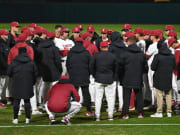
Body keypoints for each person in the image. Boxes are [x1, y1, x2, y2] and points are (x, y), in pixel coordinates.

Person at [120, 36, 148, 119]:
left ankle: (125, 114)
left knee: (126, 97)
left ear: (128, 42)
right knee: (139, 97)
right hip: (138, 77)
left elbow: (120, 67)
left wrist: (122, 76)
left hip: (127, 78)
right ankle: (140, 113)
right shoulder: (141, 54)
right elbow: (145, 67)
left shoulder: (124, 53)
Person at [8, 47, 38, 124]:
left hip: (16, 83)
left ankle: (15, 119)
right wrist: (32, 82)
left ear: (19, 52)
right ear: (26, 52)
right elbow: (35, 74)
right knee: (27, 101)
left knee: (16, 101)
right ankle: (27, 118)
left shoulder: (14, 61)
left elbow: (9, 73)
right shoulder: (31, 62)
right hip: (28, 83)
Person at [90, 41, 117, 121]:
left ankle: (97, 116)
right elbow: (116, 68)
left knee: (98, 98)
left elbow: (91, 67)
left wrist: (95, 75)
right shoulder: (113, 56)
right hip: (110, 79)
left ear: (100, 47)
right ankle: (110, 115)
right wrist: (113, 76)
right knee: (110, 98)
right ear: (107, 47)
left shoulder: (96, 56)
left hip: (98, 79)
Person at [66, 37, 93, 116]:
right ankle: (88, 111)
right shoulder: (86, 52)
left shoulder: (71, 52)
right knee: (86, 93)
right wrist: (88, 73)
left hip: (73, 75)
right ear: (82, 43)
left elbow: (68, 64)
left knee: (74, 93)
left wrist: (71, 73)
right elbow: (90, 65)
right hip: (84, 74)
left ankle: (72, 110)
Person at [36, 35, 62, 105]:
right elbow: (58, 61)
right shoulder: (54, 48)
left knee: (45, 85)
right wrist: (60, 70)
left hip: (44, 69)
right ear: (53, 39)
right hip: (54, 70)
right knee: (55, 87)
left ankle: (44, 102)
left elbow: (37, 59)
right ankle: (54, 103)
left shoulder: (39, 47)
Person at [150, 44, 175, 118]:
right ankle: (169, 112)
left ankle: (159, 112)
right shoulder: (172, 56)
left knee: (159, 95)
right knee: (168, 94)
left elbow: (152, 67)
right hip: (168, 77)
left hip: (159, 77)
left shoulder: (158, 56)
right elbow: (174, 66)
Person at [109, 31, 126, 111]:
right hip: (122, 70)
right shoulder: (124, 46)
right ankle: (121, 106)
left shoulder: (111, 46)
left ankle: (112, 107)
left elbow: (109, 58)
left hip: (113, 70)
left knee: (112, 90)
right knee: (121, 89)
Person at [0, 29, 10, 108]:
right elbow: (1, 58)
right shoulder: (1, 44)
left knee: (4, 85)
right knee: (1, 85)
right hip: (2, 69)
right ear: (1, 35)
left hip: (5, 68)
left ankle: (2, 99)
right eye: (6, 34)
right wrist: (6, 66)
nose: (7, 35)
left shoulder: (5, 43)